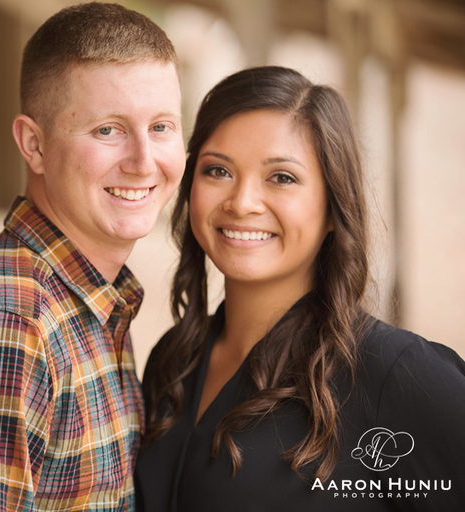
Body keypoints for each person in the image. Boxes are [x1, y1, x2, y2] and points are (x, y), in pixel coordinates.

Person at [0, 3, 185, 511]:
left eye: (161, 127)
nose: (143, 161)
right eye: (107, 129)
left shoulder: (94, 303)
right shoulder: (3, 326)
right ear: (34, 145)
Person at [135, 66, 465, 511]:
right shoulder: (173, 361)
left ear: (333, 207)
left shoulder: (393, 376)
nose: (242, 202)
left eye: (282, 177)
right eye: (217, 170)